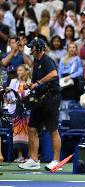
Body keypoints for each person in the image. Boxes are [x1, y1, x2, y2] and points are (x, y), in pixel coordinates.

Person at [18, 37, 62, 170]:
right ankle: (33, 159)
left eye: (32, 47)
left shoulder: (47, 60)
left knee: (53, 130)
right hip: (39, 99)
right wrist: (30, 85)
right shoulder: (36, 62)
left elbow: (54, 73)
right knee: (32, 129)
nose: (31, 49)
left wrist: (38, 83)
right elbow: (37, 83)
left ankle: (56, 161)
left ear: (38, 48)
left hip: (51, 99)